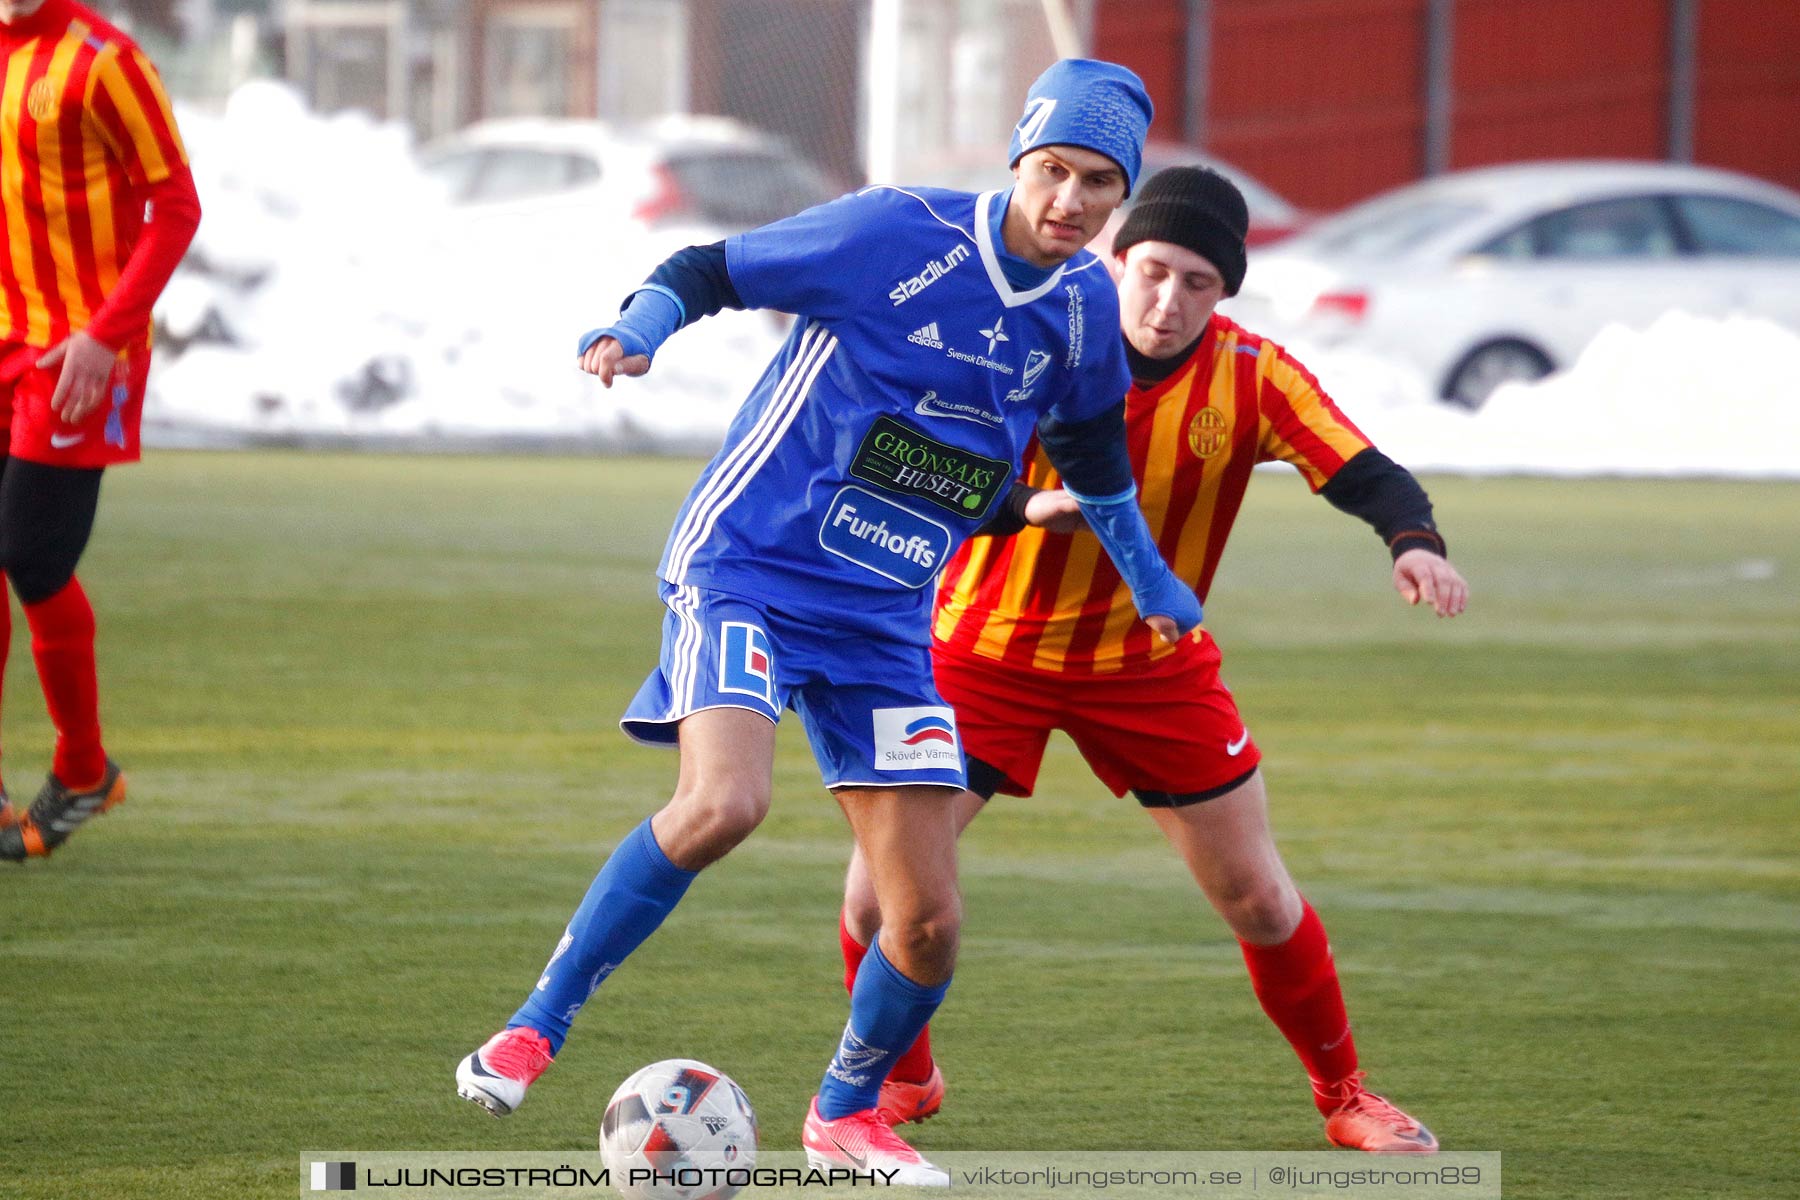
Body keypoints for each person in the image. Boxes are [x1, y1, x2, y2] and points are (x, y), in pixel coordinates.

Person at [454, 60, 1204, 1183]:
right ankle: (534, 1027)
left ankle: (845, 1118)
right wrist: (641, 328)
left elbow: (1092, 458)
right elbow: (707, 266)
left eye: (1101, 184)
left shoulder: (1086, 309)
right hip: (747, 567)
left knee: (930, 921)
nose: (1072, 201)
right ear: (1017, 160)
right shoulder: (892, 235)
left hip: (885, 621)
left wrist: (1147, 577)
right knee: (724, 804)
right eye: (1054, 170)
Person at [836, 166, 1468, 1153]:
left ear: (1226, 294)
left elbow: (1360, 467)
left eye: (1198, 285)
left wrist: (1413, 539)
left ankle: (1346, 1096)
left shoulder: (1254, 374)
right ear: (1115, 259)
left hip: (1153, 665)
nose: (1169, 302)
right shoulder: (1026, 334)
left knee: (1258, 894)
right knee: (877, 894)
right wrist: (997, 509)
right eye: (1154, 272)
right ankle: (894, 1083)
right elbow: (910, 459)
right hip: (981, 654)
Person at [0, 0, 201, 862]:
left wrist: (105, 332)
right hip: (6, 335)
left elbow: (177, 208)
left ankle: (83, 768)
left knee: (34, 556)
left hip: (83, 356)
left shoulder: (106, 61)